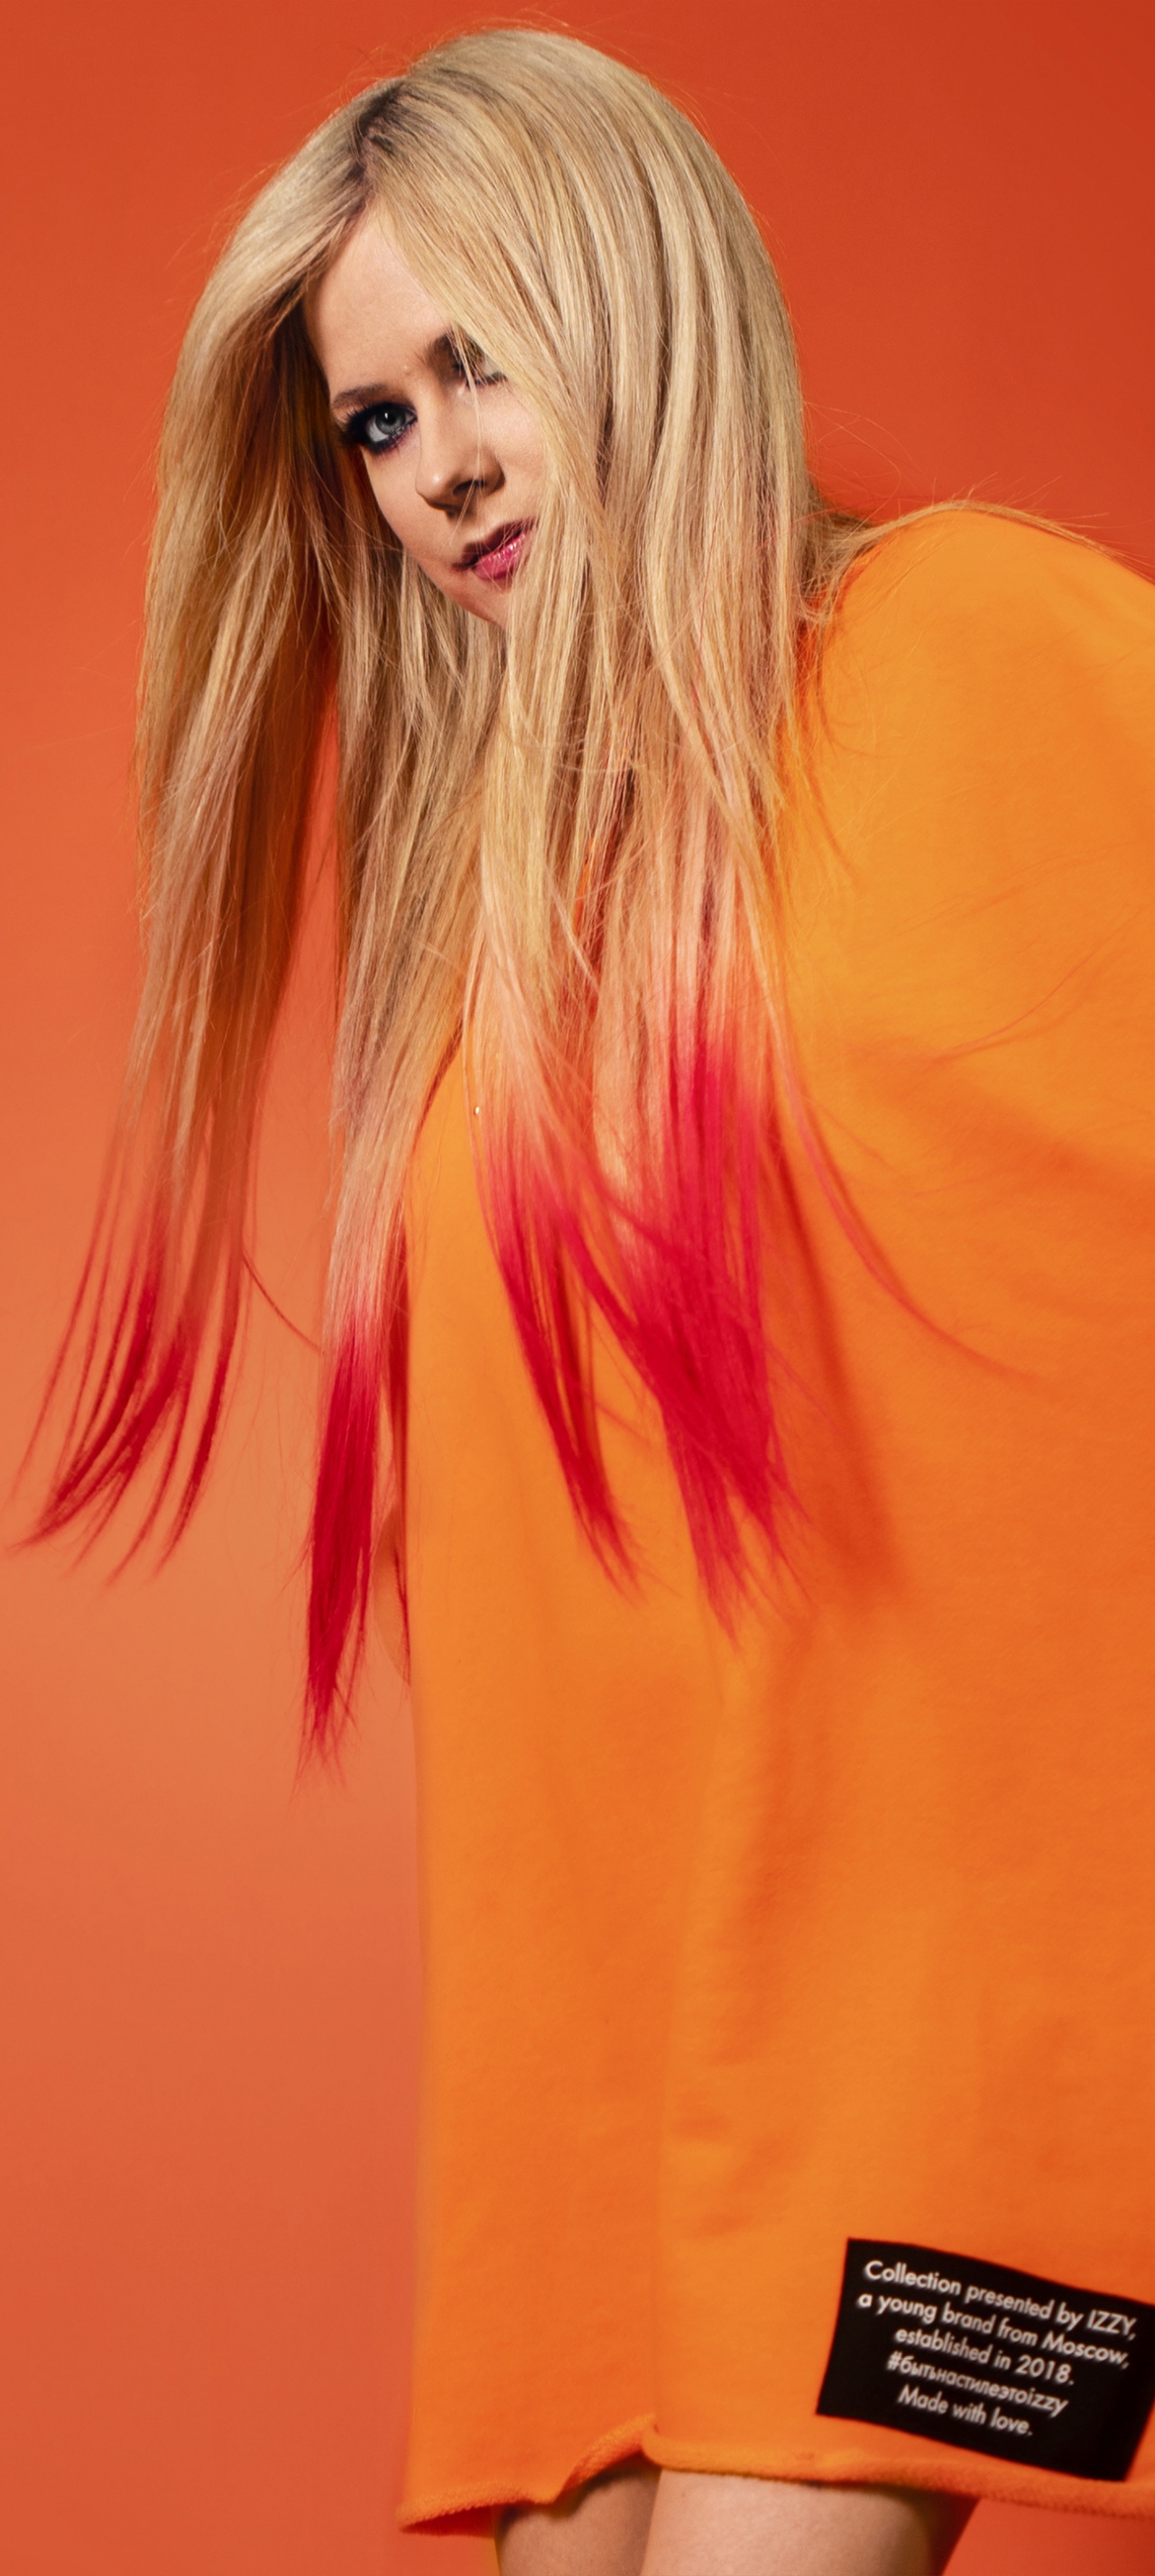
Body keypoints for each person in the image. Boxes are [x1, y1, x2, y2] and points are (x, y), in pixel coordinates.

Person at [33, 28, 1155, 2575]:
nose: (437, 465)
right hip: (600, 2078)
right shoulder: (508, 927)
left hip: (907, 1998)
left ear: (643, 298)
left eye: (483, 360)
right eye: (375, 421)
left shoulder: (967, 646)